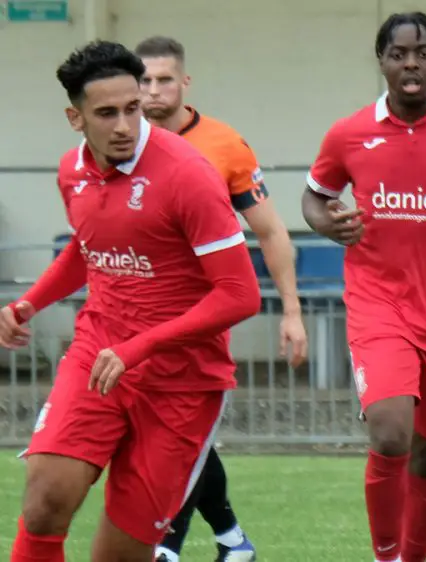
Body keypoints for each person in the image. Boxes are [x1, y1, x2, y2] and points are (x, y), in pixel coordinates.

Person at [4, 40, 261, 562]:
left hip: (180, 382)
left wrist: (140, 346)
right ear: (75, 118)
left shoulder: (187, 175)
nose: (123, 125)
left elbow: (240, 294)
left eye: (132, 108)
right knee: (44, 503)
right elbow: (88, 246)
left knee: (118, 554)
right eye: (106, 113)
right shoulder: (71, 171)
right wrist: (28, 304)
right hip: (98, 355)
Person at [300, 12, 426, 562]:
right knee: (390, 434)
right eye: (398, 53)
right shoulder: (349, 133)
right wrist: (325, 221)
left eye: (423, 51)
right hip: (377, 302)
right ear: (381, 59)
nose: (411, 63)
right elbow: (315, 196)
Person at [135, 34, 306, 562]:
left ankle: (168, 545)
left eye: (164, 79)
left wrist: (293, 312)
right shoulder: (119, 140)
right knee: (165, 433)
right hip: (133, 311)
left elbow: (272, 232)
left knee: (180, 430)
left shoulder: (224, 145)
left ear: (185, 82)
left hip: (200, 313)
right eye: (144, 80)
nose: (153, 91)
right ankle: (233, 540)